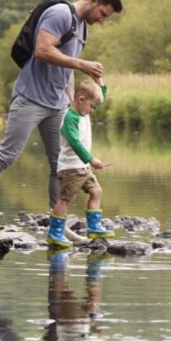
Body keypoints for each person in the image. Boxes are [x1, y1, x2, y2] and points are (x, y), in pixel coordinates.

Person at [0, 0, 123, 242]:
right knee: (7, 155)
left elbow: (65, 71)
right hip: (30, 98)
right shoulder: (60, 14)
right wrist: (81, 64)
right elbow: (43, 50)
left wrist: (69, 101)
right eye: (103, 13)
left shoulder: (81, 29)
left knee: (60, 164)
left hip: (57, 104)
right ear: (93, 1)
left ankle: (57, 225)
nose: (102, 20)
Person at [46, 79, 113, 248]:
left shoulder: (84, 111)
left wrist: (99, 82)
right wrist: (91, 159)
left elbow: (99, 96)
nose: (93, 110)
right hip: (71, 168)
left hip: (82, 168)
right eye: (92, 106)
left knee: (96, 191)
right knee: (65, 200)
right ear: (81, 99)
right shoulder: (70, 118)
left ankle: (94, 227)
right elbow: (75, 142)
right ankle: (55, 232)